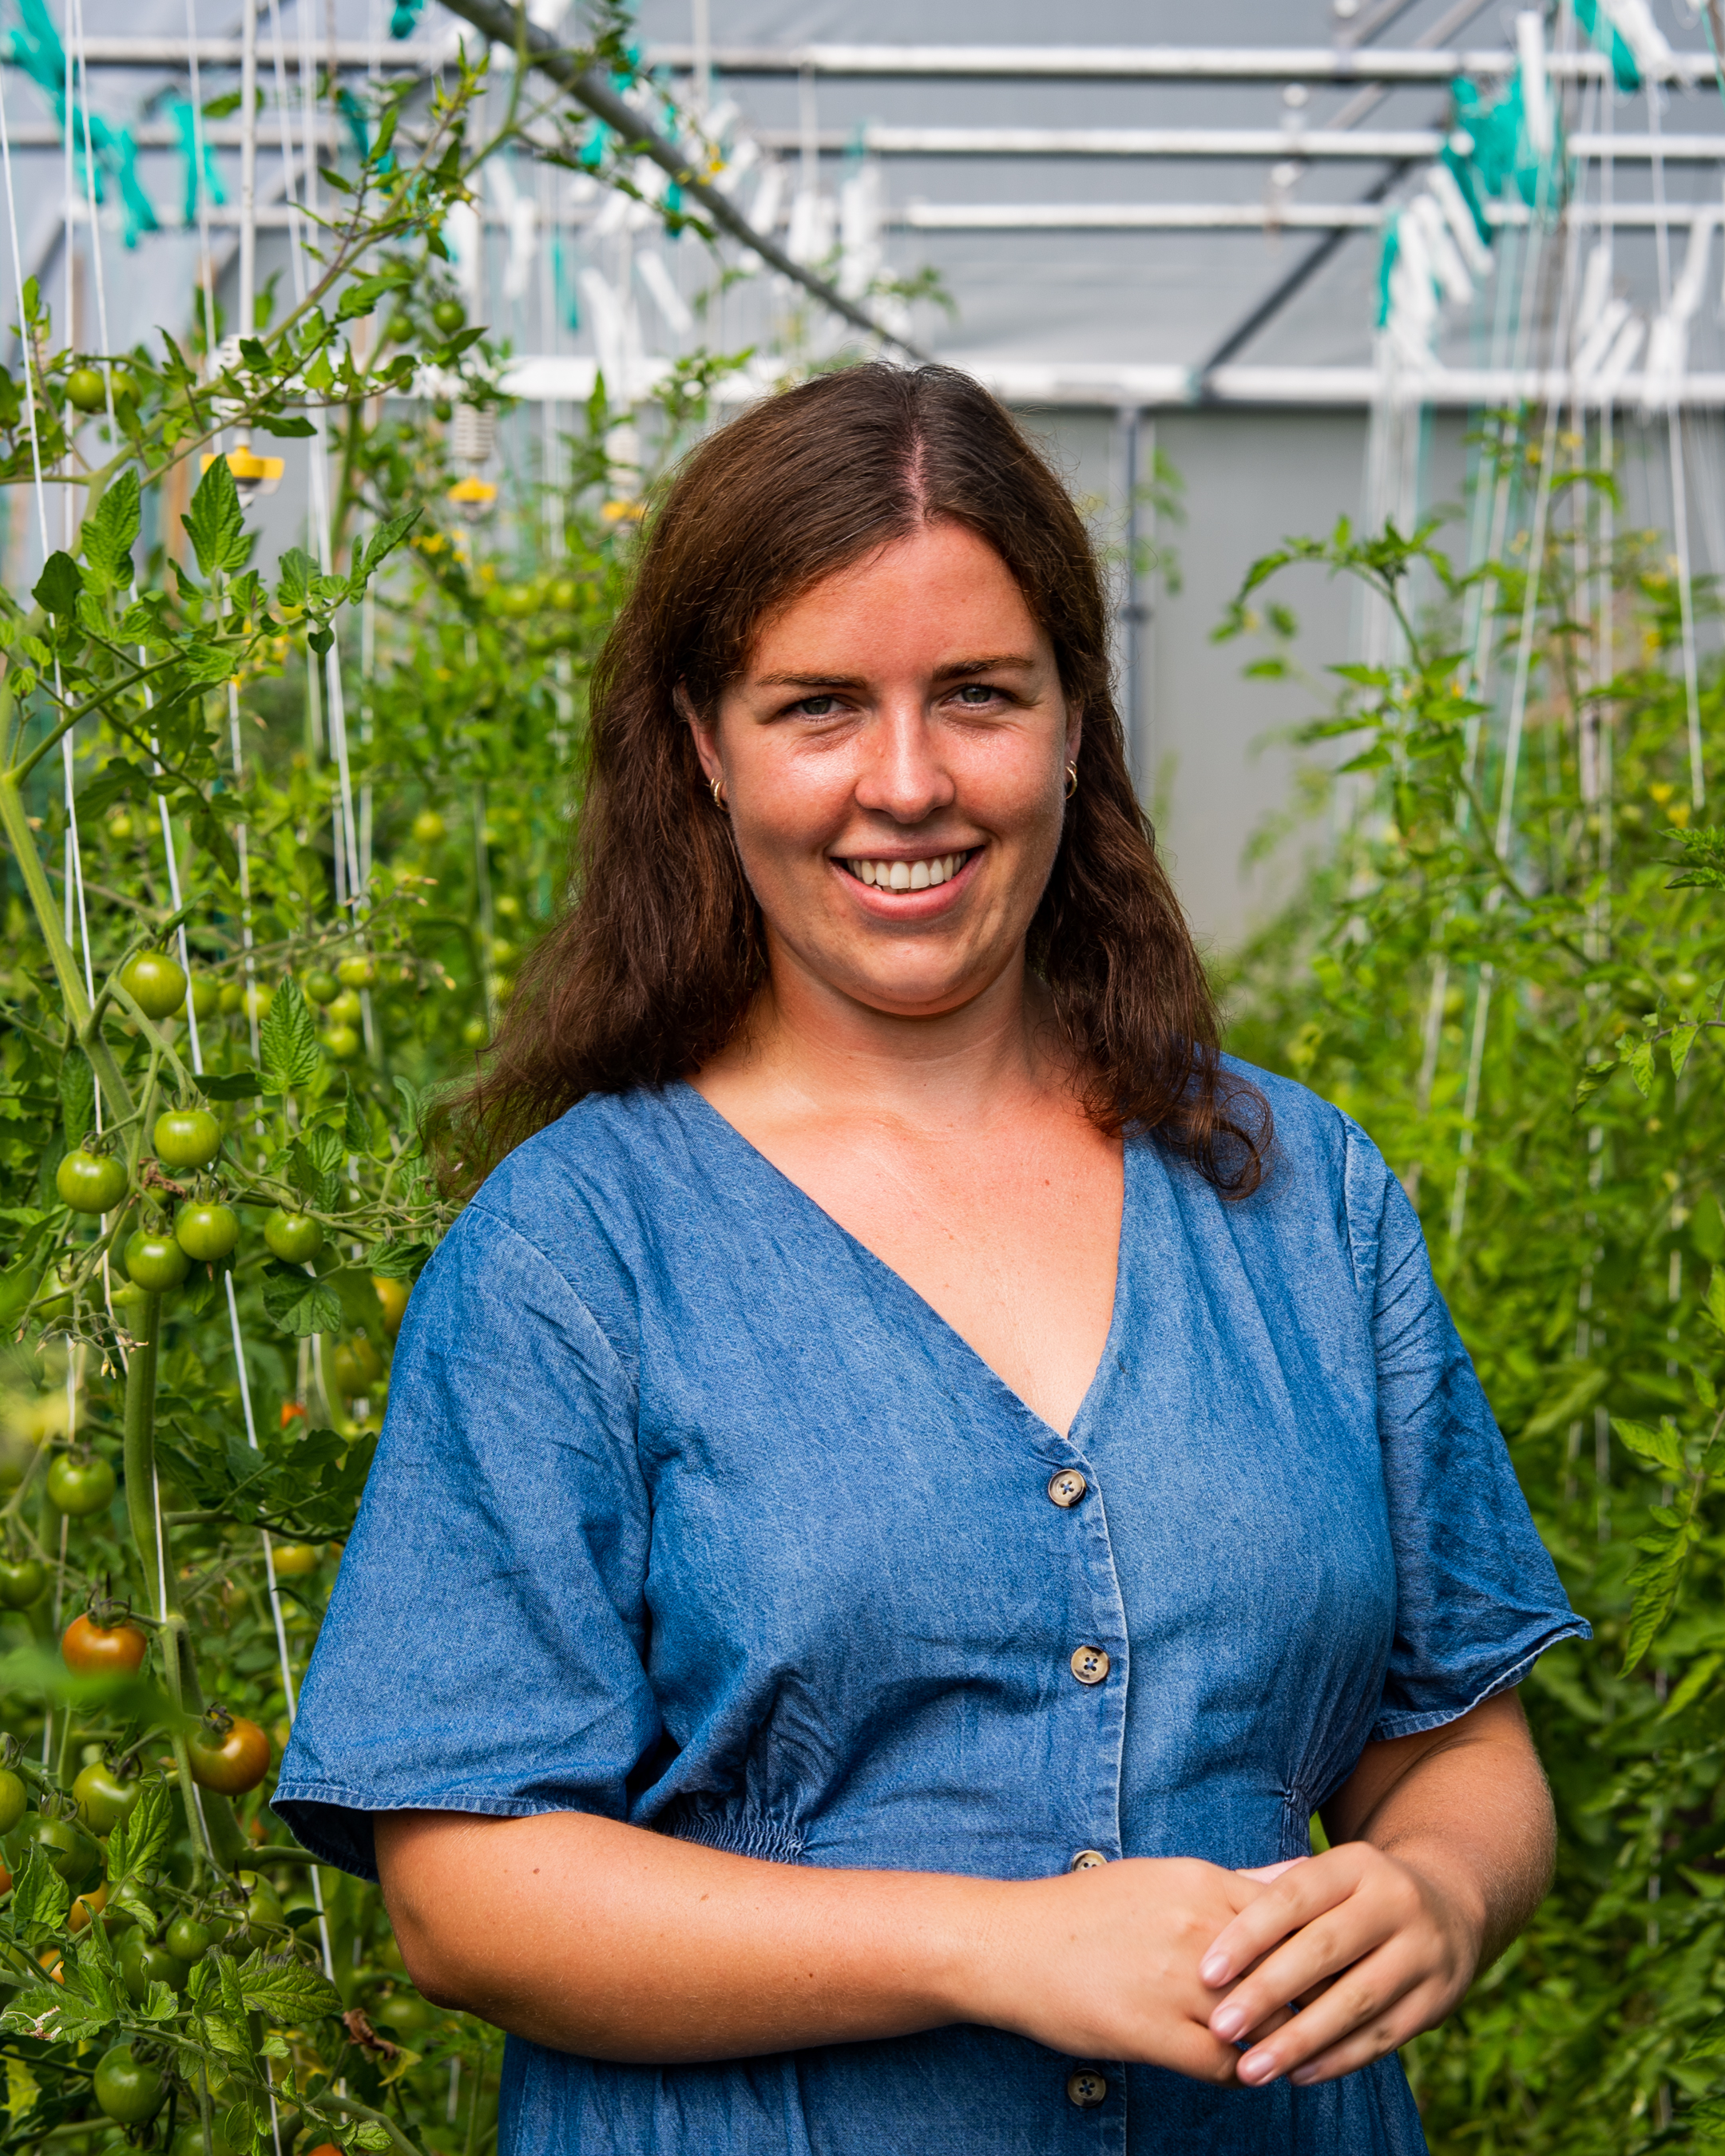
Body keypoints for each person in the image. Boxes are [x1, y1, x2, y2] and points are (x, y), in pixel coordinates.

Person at [273, 363, 1587, 2154]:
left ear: (1071, 724)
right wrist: (994, 1948)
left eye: (977, 695)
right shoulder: (578, 1253)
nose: (907, 784)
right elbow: (464, 1891)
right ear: (701, 744)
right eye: (818, 707)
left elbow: (1456, 1743)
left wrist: (1435, 1891)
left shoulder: (1295, 1192)